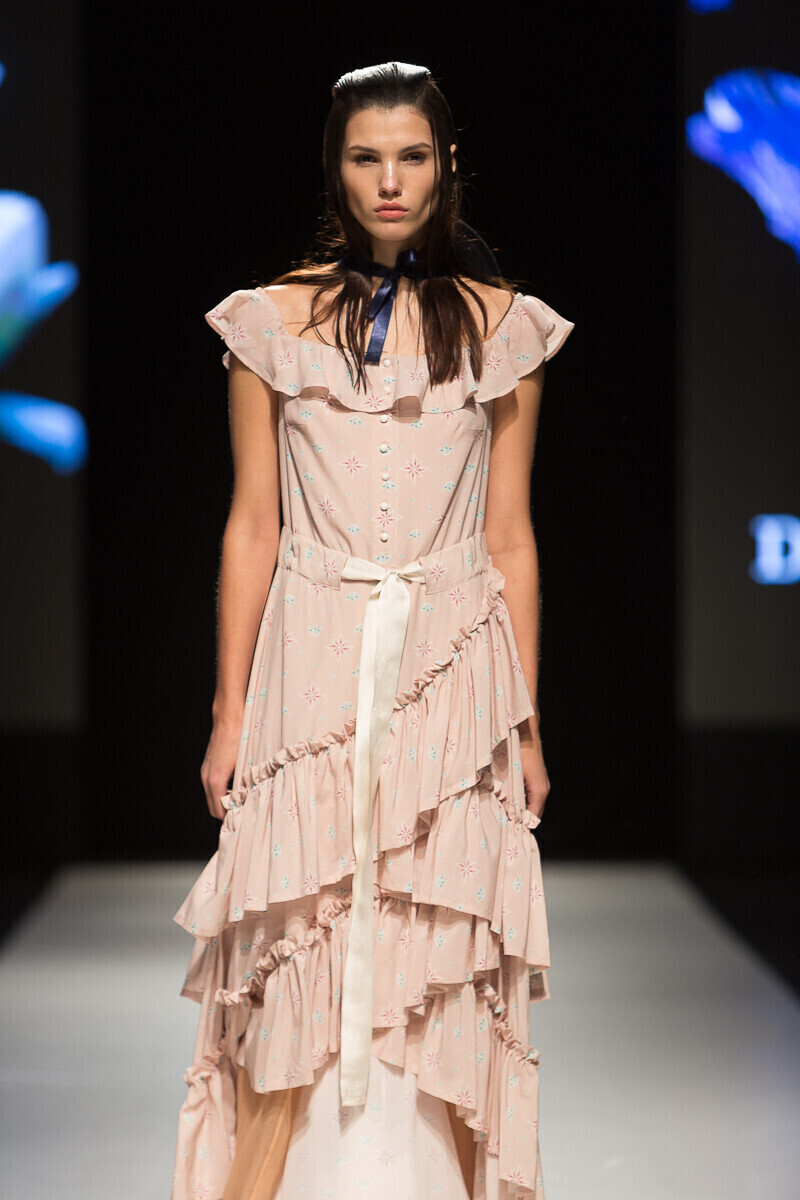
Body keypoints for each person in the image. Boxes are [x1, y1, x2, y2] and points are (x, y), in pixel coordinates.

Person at [170, 60, 574, 1200]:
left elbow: (509, 539)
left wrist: (525, 724)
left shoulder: (503, 329)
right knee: (304, 927)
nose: (389, 181)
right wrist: (229, 711)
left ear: (444, 167)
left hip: (452, 666)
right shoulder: (269, 324)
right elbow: (252, 526)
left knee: (431, 932)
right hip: (312, 659)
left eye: (410, 156)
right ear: (334, 169)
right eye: (365, 157)